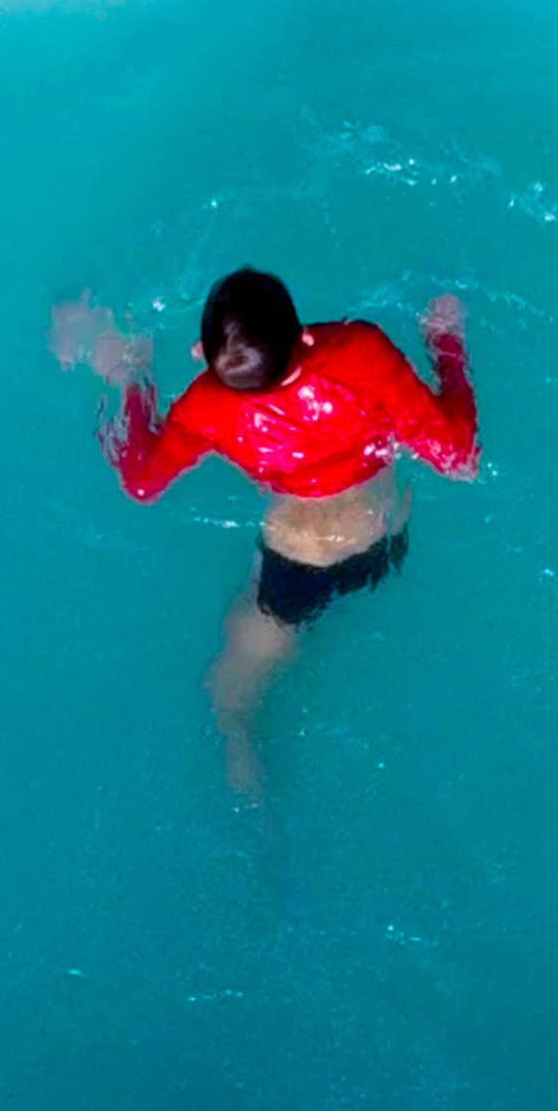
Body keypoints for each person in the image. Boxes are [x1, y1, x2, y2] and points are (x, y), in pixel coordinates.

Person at [56, 269, 478, 796]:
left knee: (230, 710)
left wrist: (131, 378)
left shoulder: (206, 408)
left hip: (295, 570)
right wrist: (446, 341)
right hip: (384, 536)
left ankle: (259, 830)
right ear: (304, 335)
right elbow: (457, 456)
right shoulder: (359, 352)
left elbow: (142, 483)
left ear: (199, 353)